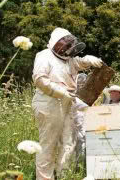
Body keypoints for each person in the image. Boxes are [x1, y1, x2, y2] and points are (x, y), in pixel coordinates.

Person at [31, 27, 103, 180]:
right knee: (48, 146)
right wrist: (60, 92)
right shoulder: (44, 56)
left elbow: (79, 63)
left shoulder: (69, 61)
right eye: (66, 44)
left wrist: (89, 59)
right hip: (49, 103)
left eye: (70, 45)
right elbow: (39, 79)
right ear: (55, 43)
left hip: (67, 104)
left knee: (68, 143)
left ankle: (62, 175)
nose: (68, 48)